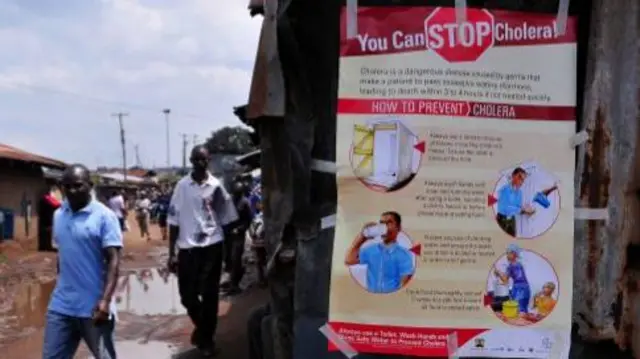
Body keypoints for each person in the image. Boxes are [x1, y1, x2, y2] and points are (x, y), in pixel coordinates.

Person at [42, 164, 123, 359]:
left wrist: (105, 300)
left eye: (78, 185)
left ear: (90, 185)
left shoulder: (104, 217)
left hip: (93, 307)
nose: (72, 191)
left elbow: (114, 260)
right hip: (61, 306)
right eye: (67, 186)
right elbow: (61, 255)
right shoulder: (59, 215)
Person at [166, 145, 238, 357]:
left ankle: (207, 340)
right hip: (187, 249)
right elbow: (173, 221)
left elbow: (227, 220)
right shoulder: (182, 187)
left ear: (209, 161)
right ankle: (204, 331)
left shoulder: (216, 186)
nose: (200, 163)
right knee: (187, 297)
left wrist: (231, 253)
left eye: (204, 159)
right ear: (190, 160)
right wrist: (171, 252)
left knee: (209, 296)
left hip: (212, 246)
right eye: (196, 159)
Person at [344, 211, 414, 294]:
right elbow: (348, 260)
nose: (384, 227)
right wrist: (362, 237)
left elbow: (403, 286)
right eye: (382, 223)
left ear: (398, 227)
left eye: (389, 223)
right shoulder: (370, 250)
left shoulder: (404, 255)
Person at [224, 181, 253, 295]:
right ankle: (234, 278)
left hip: (238, 235)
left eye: (237, 193)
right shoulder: (230, 201)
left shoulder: (245, 202)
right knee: (228, 259)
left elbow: (248, 220)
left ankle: (234, 285)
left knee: (236, 258)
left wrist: (240, 229)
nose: (235, 195)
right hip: (228, 235)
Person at [496, 167, 535, 236]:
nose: (521, 182)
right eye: (519, 177)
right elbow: (505, 208)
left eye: (523, 180)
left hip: (512, 221)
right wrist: (522, 210)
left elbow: (517, 207)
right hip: (502, 220)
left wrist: (526, 211)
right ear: (513, 176)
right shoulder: (504, 189)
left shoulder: (519, 192)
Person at [494, 243, 531, 314]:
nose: (507, 256)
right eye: (506, 253)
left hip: (520, 289)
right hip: (522, 288)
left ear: (514, 254)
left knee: (518, 310)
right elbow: (505, 281)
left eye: (508, 253)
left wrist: (498, 272)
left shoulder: (512, 265)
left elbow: (505, 280)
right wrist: (500, 274)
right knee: (521, 309)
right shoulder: (517, 264)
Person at [37, 180, 62, 252]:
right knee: (48, 237)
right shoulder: (48, 200)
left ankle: (47, 247)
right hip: (48, 222)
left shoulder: (49, 200)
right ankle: (48, 247)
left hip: (48, 222)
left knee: (48, 237)